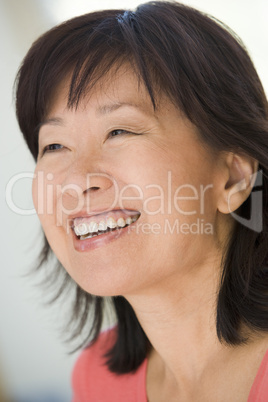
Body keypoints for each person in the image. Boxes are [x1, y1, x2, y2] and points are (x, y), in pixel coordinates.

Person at [15, 1, 268, 401]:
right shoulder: (96, 380)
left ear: (234, 176)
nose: (77, 180)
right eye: (55, 144)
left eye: (119, 131)